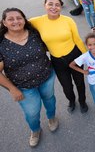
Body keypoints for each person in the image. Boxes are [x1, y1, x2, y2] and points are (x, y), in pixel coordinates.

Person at [0, 8, 58, 147]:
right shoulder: (1, 44)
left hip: (46, 77)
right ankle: (35, 130)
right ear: (4, 23)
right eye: (11, 19)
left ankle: (52, 118)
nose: (16, 21)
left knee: (50, 100)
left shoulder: (34, 34)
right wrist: (13, 89)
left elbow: (51, 45)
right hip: (23, 87)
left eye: (19, 18)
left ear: (24, 19)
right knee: (32, 113)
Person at [30, 0, 88, 114]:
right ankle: (71, 101)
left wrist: (87, 56)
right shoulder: (37, 21)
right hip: (57, 60)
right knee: (66, 86)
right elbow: (18, 24)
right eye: (50, 4)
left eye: (57, 5)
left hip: (74, 56)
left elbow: (77, 39)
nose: (54, 7)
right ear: (44, 5)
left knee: (80, 83)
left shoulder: (68, 20)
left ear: (61, 7)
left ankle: (82, 101)